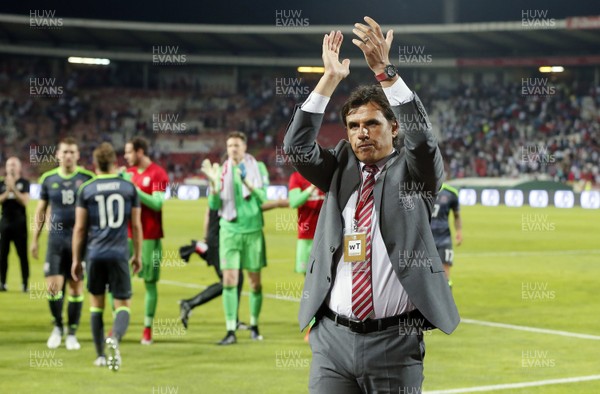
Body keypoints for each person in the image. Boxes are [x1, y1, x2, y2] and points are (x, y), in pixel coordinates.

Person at [283, 17, 459, 393]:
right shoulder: (339, 167)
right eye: (353, 125)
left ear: (393, 127)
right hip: (332, 339)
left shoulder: (415, 174)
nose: (361, 132)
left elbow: (424, 143)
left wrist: (385, 72)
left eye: (372, 123)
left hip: (394, 342)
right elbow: (296, 147)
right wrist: (329, 80)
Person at [71, 142, 142, 370]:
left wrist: (75, 259)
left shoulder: (87, 189)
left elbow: (80, 229)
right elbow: (137, 225)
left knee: (96, 305)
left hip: (95, 254)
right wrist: (137, 255)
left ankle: (100, 355)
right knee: (123, 305)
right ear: (115, 162)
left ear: (95, 164)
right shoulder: (128, 188)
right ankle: (116, 338)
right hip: (119, 253)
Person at [202, 131, 269, 345]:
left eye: (237, 145)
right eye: (230, 145)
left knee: (254, 283)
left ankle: (254, 324)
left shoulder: (257, 168)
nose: (233, 149)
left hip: (253, 231)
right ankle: (230, 330)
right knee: (229, 280)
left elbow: (263, 198)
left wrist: (248, 182)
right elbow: (214, 207)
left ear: (245, 147)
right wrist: (213, 188)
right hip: (229, 231)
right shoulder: (220, 172)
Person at [178, 199, 288, 329]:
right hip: (221, 240)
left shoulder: (220, 191)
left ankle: (232, 320)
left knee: (234, 279)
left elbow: (208, 212)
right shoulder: (231, 192)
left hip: (218, 238)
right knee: (231, 280)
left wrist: (206, 237)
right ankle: (189, 304)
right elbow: (252, 207)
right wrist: (278, 203)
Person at [31, 137, 95, 350]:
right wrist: (34, 240)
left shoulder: (87, 178)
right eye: (65, 152)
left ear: (77, 155)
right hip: (56, 242)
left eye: (72, 152)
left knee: (76, 287)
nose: (68, 156)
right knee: (53, 287)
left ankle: (72, 332)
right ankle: (58, 327)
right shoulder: (48, 179)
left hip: (80, 243)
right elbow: (40, 211)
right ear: (58, 155)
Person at [123, 136, 169, 345]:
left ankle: (147, 329)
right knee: (120, 283)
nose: (126, 156)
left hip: (150, 236)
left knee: (150, 283)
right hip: (126, 235)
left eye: (129, 152)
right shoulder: (127, 173)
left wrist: (136, 190)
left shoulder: (158, 174)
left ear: (140, 152)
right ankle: (119, 326)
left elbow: (158, 204)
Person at [0, 157, 30, 292]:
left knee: (22, 255)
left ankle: (25, 284)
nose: (11, 167)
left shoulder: (24, 183)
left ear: (19, 167)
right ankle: (2, 283)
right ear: (6, 168)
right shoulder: (1, 184)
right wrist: (8, 190)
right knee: (2, 255)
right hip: (4, 223)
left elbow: (25, 201)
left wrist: (14, 190)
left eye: (14, 165)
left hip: (20, 223)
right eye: (9, 165)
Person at [288, 171, 325, 275]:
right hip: (306, 235)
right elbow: (294, 202)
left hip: (326, 235)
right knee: (308, 276)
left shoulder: (327, 174)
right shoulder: (296, 177)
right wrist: (312, 187)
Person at [431, 182, 462, 286]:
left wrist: (459, 232)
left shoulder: (451, 193)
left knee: (445, 274)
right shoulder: (421, 189)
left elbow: (456, 215)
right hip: (426, 239)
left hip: (444, 239)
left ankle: (447, 302)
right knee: (426, 275)